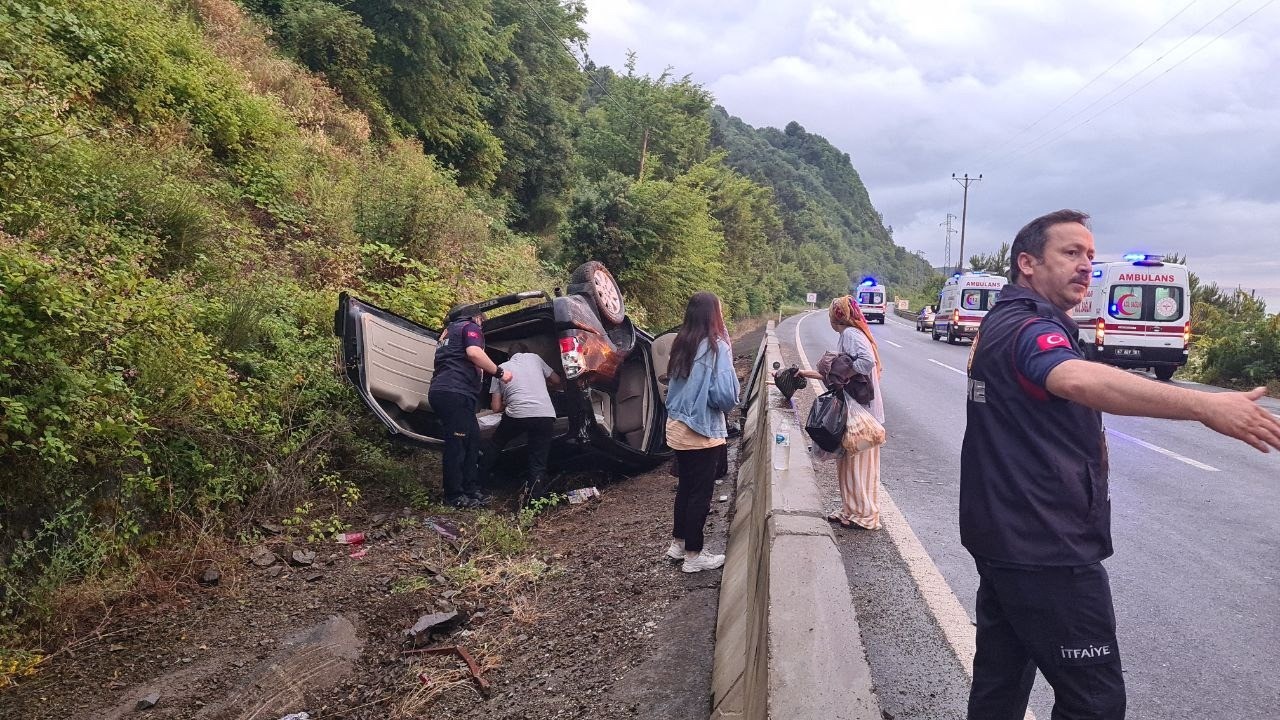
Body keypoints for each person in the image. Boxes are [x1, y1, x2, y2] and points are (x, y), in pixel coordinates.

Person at [960, 209, 1280, 720]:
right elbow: (1075, 380)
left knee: (1000, 685)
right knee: (1095, 702)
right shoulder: (1027, 327)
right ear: (1027, 263)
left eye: (1090, 254)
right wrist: (1205, 406)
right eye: (1070, 253)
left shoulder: (1001, 319)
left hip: (1004, 538)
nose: (1086, 265)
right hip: (1046, 545)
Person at [663, 292, 740, 573]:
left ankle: (678, 544)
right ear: (713, 315)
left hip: (677, 427)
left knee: (685, 487)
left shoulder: (682, 342)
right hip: (701, 430)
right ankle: (694, 557)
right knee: (700, 493)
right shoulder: (715, 347)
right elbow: (724, 395)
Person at [799, 295, 885, 529]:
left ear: (836, 317)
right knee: (847, 461)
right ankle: (851, 509)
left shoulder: (849, 334)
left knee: (859, 464)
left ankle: (865, 515)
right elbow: (839, 373)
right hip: (857, 409)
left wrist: (848, 372)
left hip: (862, 413)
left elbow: (865, 362)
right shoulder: (852, 334)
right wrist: (812, 373)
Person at [427, 311, 512, 509]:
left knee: (472, 440)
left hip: (449, 392)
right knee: (457, 444)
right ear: (476, 317)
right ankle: (454, 495)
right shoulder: (469, 326)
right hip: (454, 391)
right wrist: (500, 372)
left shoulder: (447, 333)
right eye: (482, 321)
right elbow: (474, 353)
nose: (482, 325)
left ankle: (470, 490)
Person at [482, 343, 562, 503]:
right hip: (544, 415)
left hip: (517, 415)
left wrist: (509, 399)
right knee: (537, 460)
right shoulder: (535, 358)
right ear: (527, 352)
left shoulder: (500, 367)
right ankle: (535, 501)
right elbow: (557, 380)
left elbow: (496, 407)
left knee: (496, 444)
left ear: (509, 356)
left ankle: (479, 481)